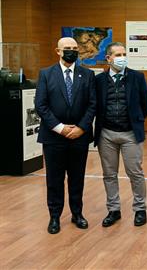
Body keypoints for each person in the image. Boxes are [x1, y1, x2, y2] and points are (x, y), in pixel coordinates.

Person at [35, 37, 96, 234]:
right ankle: (54, 217)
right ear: (58, 51)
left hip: (80, 136)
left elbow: (92, 104)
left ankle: (77, 214)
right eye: (67, 48)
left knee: (77, 178)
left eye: (75, 48)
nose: (72, 51)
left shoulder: (87, 74)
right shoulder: (46, 74)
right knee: (54, 179)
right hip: (54, 137)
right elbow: (41, 106)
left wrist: (81, 127)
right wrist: (60, 128)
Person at [94, 42, 147, 227]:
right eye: (118, 54)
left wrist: (136, 120)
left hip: (130, 134)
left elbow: (146, 103)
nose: (122, 57)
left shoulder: (137, 77)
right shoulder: (99, 80)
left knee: (135, 172)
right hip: (106, 134)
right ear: (108, 58)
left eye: (124, 54)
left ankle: (140, 209)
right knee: (109, 174)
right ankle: (113, 210)